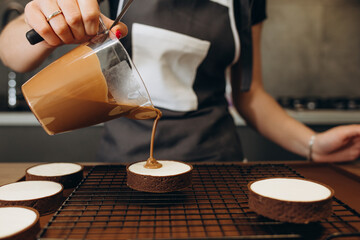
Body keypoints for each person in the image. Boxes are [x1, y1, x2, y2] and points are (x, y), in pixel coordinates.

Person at [0, 0, 360, 163]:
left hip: (218, 166)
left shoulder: (247, 3)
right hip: (123, 164)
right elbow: (12, 53)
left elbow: (250, 95)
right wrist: (43, 20)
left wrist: (312, 144)